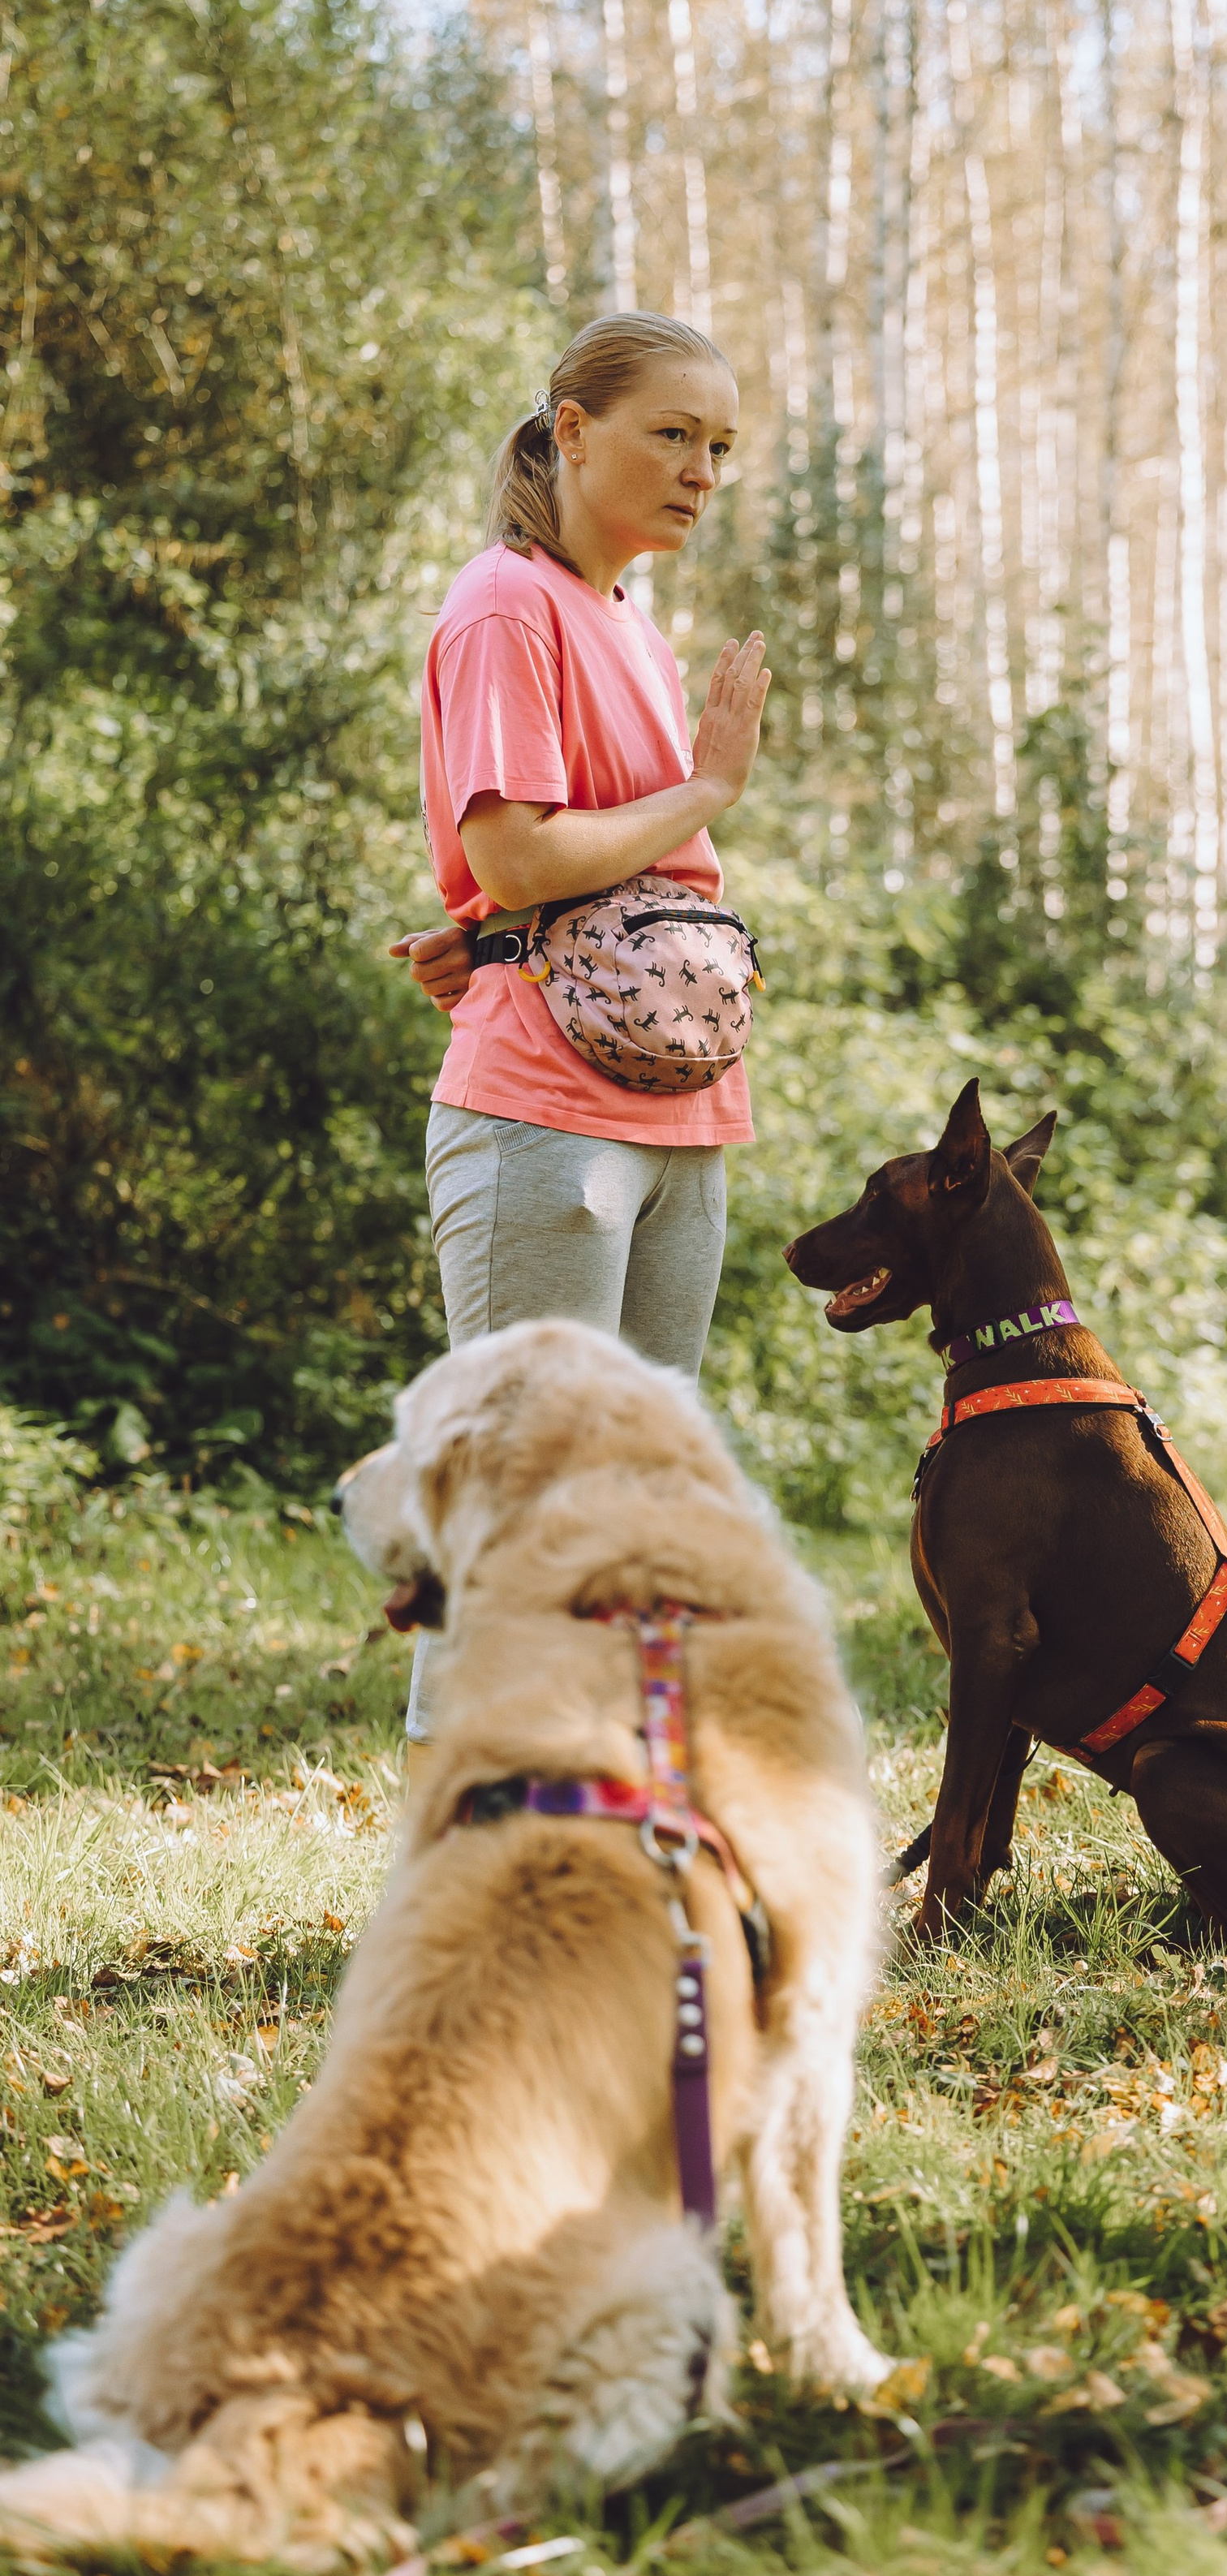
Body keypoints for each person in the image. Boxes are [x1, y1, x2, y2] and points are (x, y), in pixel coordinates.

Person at [389, 309, 770, 1746]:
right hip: (543, 1116)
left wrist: (492, 926)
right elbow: (529, 853)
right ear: (570, 426)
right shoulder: (507, 601)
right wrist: (707, 790)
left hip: (681, 1117)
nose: (700, 470)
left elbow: (545, 873)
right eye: (671, 433)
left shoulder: (627, 622)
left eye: (720, 445)